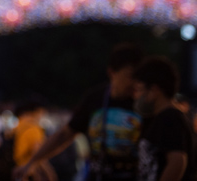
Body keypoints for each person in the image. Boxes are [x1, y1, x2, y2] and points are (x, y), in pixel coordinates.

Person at [14, 43, 143, 181]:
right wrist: (32, 163)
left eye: (139, 77)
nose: (135, 83)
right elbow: (65, 134)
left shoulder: (143, 103)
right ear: (112, 72)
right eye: (130, 76)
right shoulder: (95, 99)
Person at [134, 56, 196, 181]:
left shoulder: (170, 118)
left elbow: (177, 161)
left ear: (154, 90)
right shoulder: (163, 118)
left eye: (139, 90)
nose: (136, 96)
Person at [12, 101, 56, 181]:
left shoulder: (16, 127)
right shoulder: (33, 128)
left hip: (13, 170)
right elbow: (37, 152)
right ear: (36, 112)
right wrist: (49, 173)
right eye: (41, 112)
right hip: (26, 172)